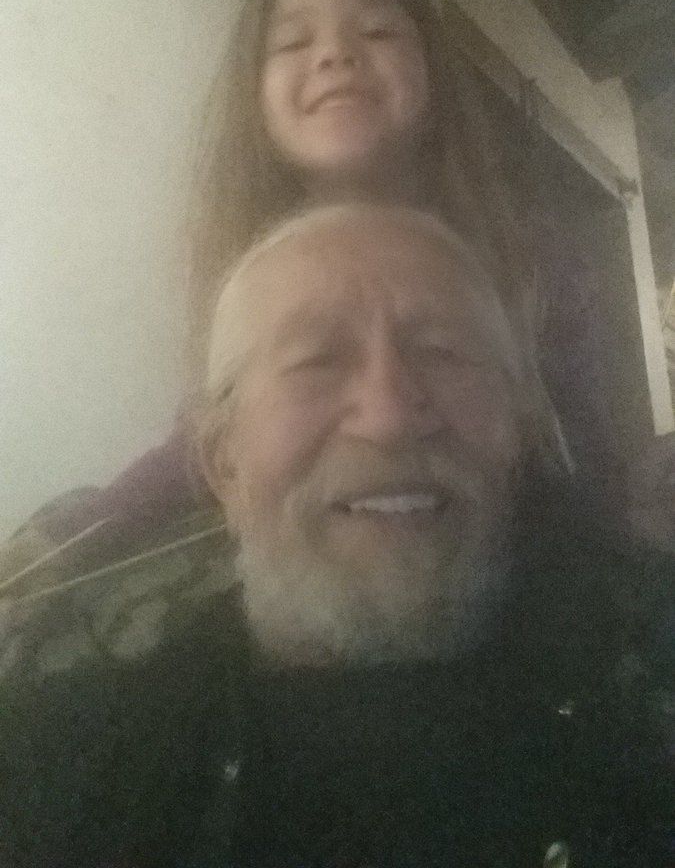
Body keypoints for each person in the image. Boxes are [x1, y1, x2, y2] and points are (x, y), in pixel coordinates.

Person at [1, 204, 671, 868]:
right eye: (316, 360)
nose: (389, 418)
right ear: (222, 461)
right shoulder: (46, 770)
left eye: (442, 352)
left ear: (517, 430)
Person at [0, 0, 525, 604]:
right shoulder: (244, 276)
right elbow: (198, 442)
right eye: (293, 43)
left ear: (432, 68)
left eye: (377, 31)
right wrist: (82, 530)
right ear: (254, 92)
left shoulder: (518, 253)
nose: (336, 55)